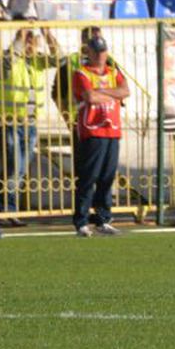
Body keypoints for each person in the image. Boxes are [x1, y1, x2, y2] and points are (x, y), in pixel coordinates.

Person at [0, 27, 58, 225]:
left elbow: (59, 59)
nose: (31, 44)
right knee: (15, 165)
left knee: (19, 168)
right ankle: (7, 210)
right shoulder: (7, 58)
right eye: (27, 40)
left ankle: (5, 209)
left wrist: (47, 34)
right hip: (7, 121)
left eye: (33, 40)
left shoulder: (37, 60)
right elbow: (5, 67)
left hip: (29, 122)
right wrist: (19, 39)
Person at [71, 35, 128, 237]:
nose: (101, 55)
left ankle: (103, 219)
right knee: (89, 176)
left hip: (112, 129)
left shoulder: (113, 72)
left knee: (107, 176)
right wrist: (113, 94)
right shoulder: (81, 73)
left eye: (103, 51)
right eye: (97, 51)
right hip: (92, 129)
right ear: (90, 53)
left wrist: (104, 92)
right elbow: (90, 97)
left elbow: (125, 91)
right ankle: (81, 221)